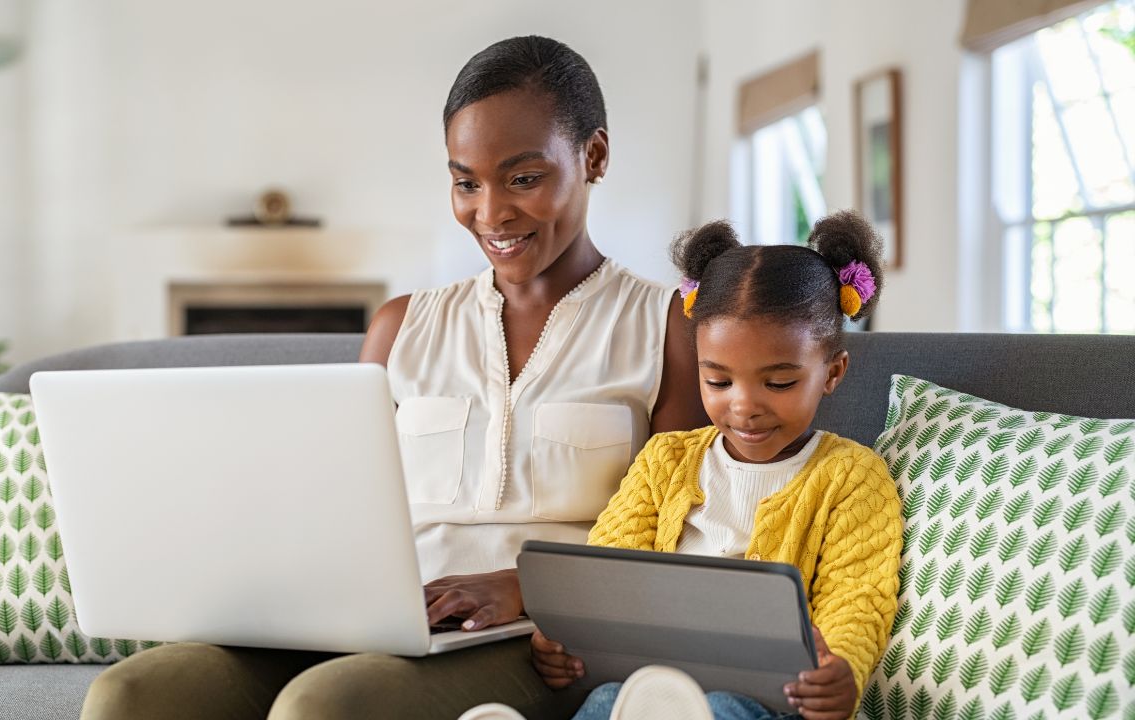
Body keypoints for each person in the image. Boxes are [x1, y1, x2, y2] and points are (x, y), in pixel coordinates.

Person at [80, 36, 706, 720]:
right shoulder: (402, 327)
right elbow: (327, 512)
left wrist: (524, 586)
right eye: (466, 181)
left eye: (524, 178)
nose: (490, 213)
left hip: (542, 639)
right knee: (129, 695)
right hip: (374, 618)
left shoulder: (667, 326)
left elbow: (675, 542)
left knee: (327, 706)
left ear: (594, 156)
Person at [461, 212, 903, 720]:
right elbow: (607, 568)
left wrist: (840, 670)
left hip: (770, 703)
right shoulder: (665, 460)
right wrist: (565, 637)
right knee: (608, 700)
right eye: (718, 382)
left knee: (717, 709)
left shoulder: (852, 477)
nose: (743, 406)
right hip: (650, 686)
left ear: (833, 372)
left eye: (778, 383)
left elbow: (858, 599)